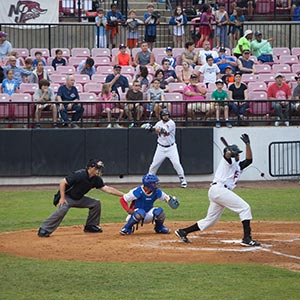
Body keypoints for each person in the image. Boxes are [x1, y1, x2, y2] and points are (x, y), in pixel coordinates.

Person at [175, 133, 261, 247]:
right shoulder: (227, 162)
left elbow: (249, 160)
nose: (239, 155)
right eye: (237, 154)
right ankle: (247, 238)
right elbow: (227, 155)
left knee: (210, 220)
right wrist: (230, 153)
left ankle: (183, 231)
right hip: (219, 189)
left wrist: (247, 144)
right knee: (245, 208)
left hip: (218, 192)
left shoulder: (238, 166)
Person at [38, 159, 124, 237]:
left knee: (96, 203)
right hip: (67, 197)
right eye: (97, 168)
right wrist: (62, 198)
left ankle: (91, 226)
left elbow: (108, 189)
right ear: (90, 167)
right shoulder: (80, 175)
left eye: (99, 168)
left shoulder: (96, 179)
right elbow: (62, 182)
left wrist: (124, 195)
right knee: (63, 209)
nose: (98, 170)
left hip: (78, 198)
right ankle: (44, 229)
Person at [147, 109, 187, 188]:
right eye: (164, 115)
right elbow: (153, 131)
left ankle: (183, 181)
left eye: (167, 115)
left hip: (171, 148)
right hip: (161, 147)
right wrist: (149, 128)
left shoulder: (171, 123)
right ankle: (148, 181)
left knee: (176, 164)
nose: (166, 117)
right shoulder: (159, 123)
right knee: (154, 165)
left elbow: (163, 131)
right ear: (161, 116)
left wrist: (153, 128)